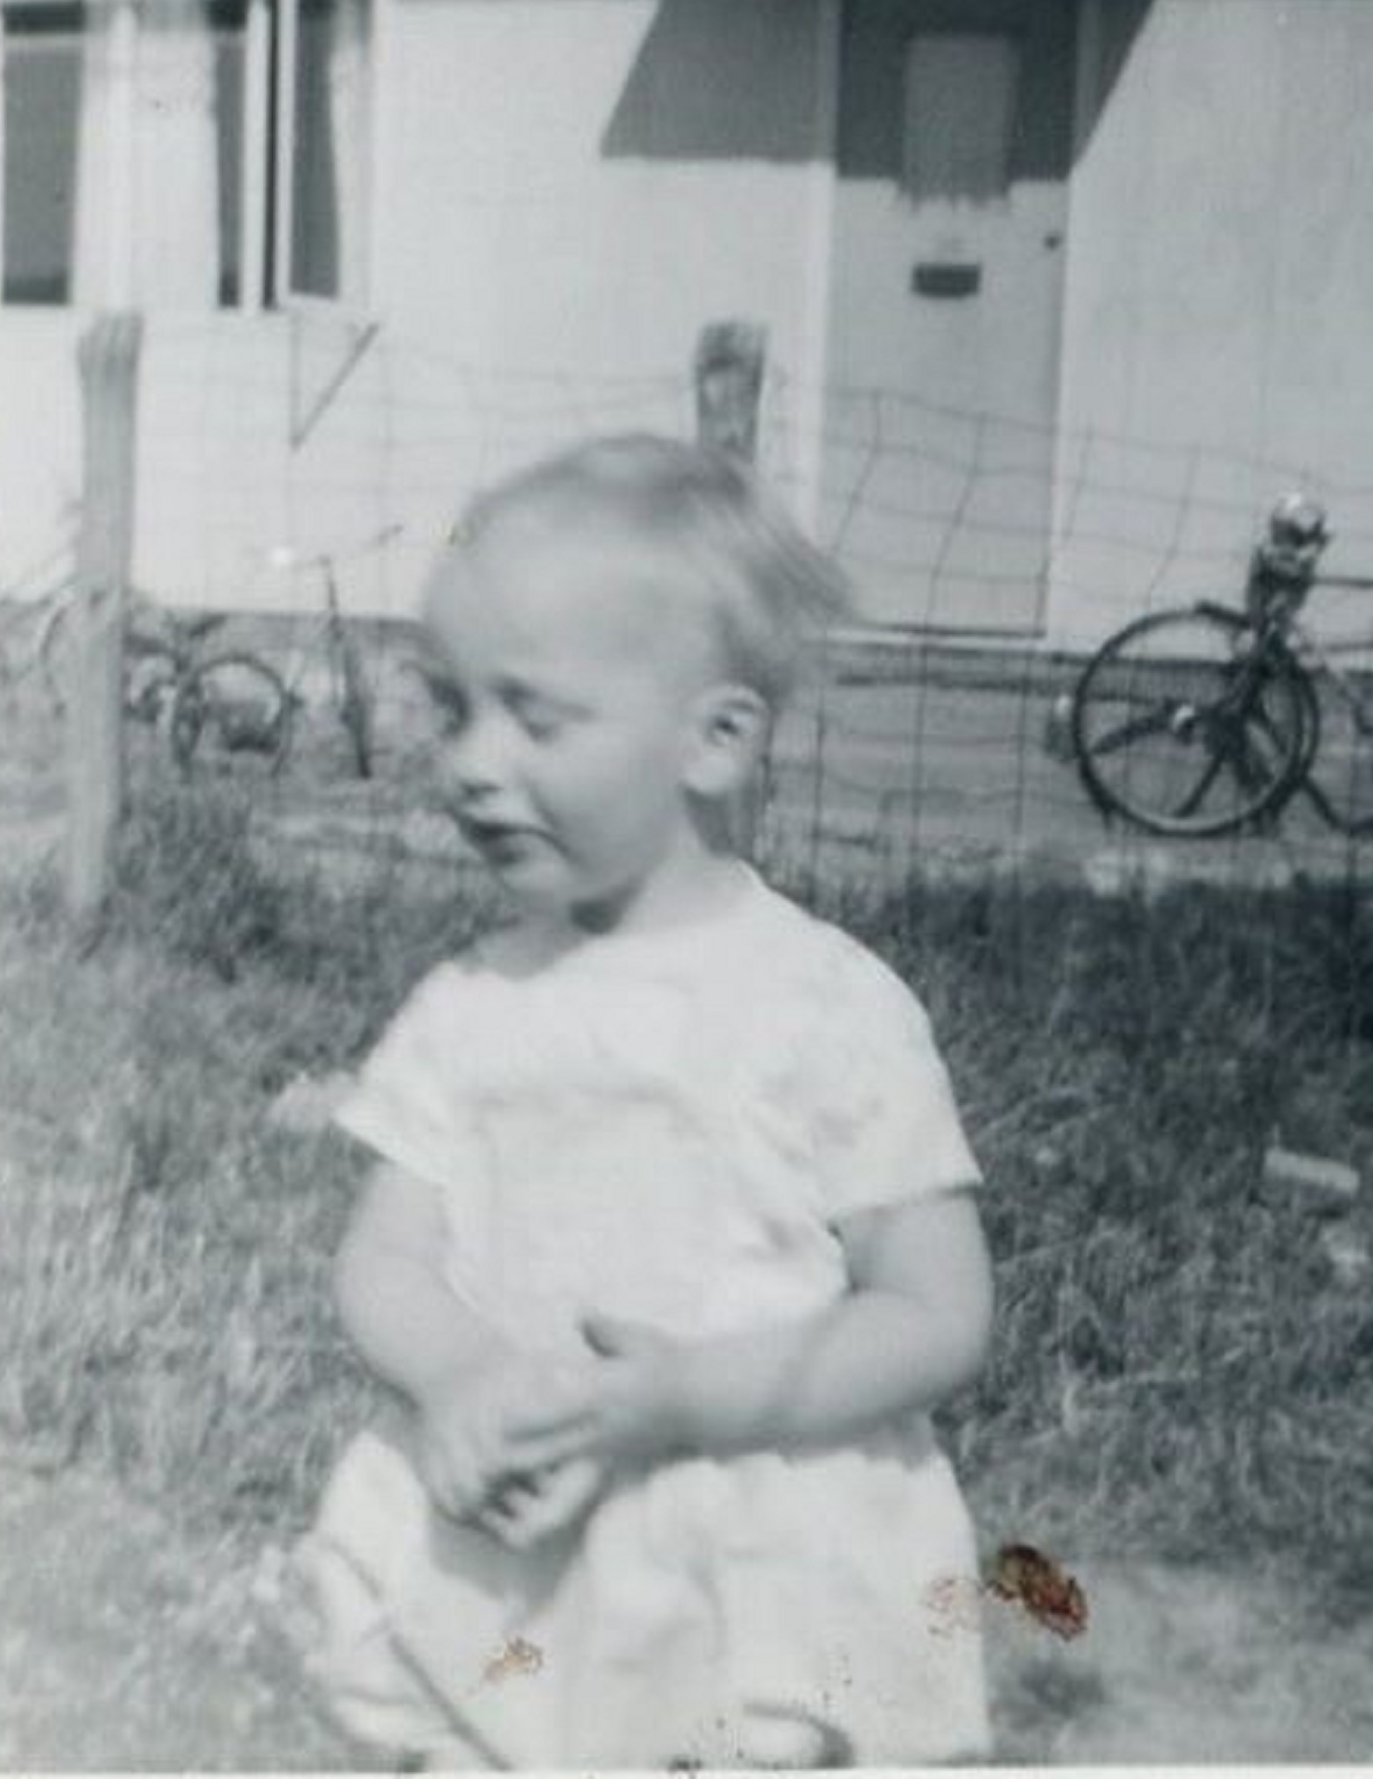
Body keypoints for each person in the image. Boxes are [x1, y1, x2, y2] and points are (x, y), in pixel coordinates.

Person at [291, 436, 994, 1769]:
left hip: (747, 1555)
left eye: (535, 717)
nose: (473, 761)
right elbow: (384, 1250)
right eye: (454, 708)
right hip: (518, 1531)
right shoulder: (472, 1001)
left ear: (714, 739)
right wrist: (463, 1373)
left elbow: (938, 1310)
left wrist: (685, 1397)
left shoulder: (826, 1007)